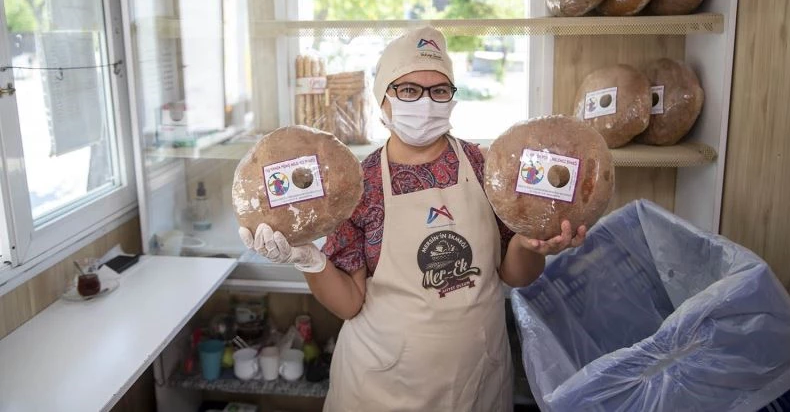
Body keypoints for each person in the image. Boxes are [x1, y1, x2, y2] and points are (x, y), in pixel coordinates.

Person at [239, 26, 587, 411]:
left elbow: (514, 274)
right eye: (408, 90)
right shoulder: (357, 184)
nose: (425, 102)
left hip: (476, 380)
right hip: (381, 387)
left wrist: (528, 244)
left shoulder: (487, 167)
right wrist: (309, 260)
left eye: (439, 90)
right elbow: (349, 304)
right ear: (383, 99)